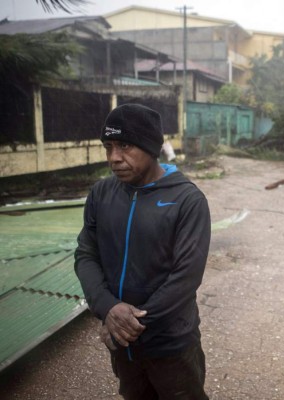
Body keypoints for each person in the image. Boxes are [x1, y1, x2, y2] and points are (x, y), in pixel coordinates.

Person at [74, 103, 211, 400]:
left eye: (124, 145)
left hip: (170, 343)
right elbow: (86, 254)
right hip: (123, 345)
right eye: (108, 146)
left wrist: (129, 324)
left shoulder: (187, 200)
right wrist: (107, 307)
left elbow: (186, 277)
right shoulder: (101, 194)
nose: (114, 158)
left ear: (151, 146)